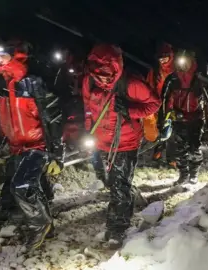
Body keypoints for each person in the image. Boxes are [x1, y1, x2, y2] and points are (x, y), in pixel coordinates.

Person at [82, 44, 161, 248]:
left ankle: (117, 228)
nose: (103, 79)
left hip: (125, 143)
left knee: (119, 186)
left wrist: (129, 110)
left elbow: (154, 104)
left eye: (107, 75)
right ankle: (129, 196)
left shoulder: (131, 84)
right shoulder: (88, 82)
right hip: (101, 142)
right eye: (99, 75)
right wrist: (88, 131)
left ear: (116, 69)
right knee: (109, 180)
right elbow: (88, 109)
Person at [0, 38, 65, 250]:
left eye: (3, 55)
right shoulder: (1, 83)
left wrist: (57, 153)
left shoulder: (33, 83)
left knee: (21, 186)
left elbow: (52, 117)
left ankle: (40, 224)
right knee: (30, 184)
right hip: (16, 145)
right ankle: (46, 224)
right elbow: (0, 117)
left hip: (37, 145)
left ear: (15, 56)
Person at [163, 50, 208, 185]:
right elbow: (165, 99)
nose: (183, 65)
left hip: (196, 119)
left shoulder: (199, 78)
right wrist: (167, 116)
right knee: (180, 149)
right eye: (181, 61)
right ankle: (183, 174)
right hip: (179, 119)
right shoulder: (173, 79)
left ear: (191, 62)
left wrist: (206, 82)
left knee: (195, 148)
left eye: (186, 61)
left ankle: (193, 174)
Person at [143, 43, 176, 165]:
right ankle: (158, 151)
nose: (162, 59)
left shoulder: (176, 69)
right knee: (160, 127)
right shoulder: (155, 71)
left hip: (173, 104)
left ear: (170, 56)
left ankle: (172, 158)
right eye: (160, 57)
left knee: (173, 131)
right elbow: (149, 86)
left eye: (164, 57)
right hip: (158, 103)